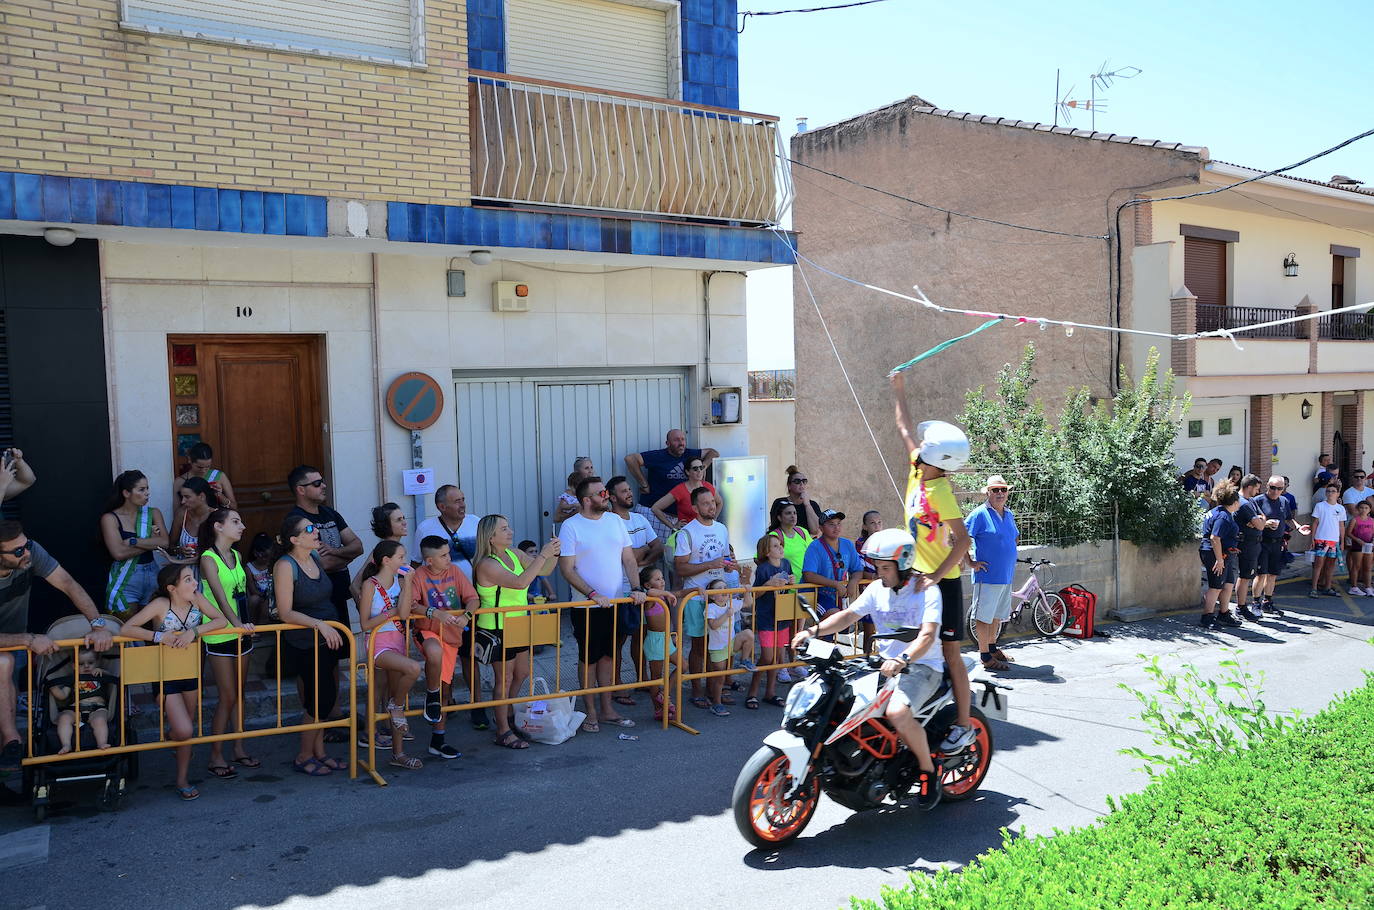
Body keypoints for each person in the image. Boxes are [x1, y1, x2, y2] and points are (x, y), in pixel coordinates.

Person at [792, 528, 946, 811]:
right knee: (841, 701)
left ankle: (928, 771)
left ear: (903, 564)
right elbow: (848, 615)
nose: (880, 573)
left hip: (922, 666)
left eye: (886, 568)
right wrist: (812, 631)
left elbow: (927, 636)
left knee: (897, 713)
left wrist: (903, 659)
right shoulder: (877, 589)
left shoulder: (926, 591)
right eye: (877, 567)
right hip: (883, 665)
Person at [891, 372, 976, 753]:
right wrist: (899, 388)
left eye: (926, 445)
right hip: (918, 577)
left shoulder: (941, 491)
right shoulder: (917, 468)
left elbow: (963, 539)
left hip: (943, 582)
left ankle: (964, 725)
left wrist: (937, 576)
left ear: (937, 458)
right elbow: (903, 426)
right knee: (908, 643)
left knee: (951, 653)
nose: (918, 446)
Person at [0, 520, 113, 770]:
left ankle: (8, 760)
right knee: (3, 662)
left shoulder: (31, 553)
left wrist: (98, 625)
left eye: (26, 545)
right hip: (12, 641)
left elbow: (67, 584)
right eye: (17, 551)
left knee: (6, 694)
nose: (26, 552)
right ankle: (12, 740)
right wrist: (29, 639)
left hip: (14, 638)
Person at [121, 564, 229, 800]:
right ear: (172, 588)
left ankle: (182, 780)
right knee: (184, 730)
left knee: (186, 732)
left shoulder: (197, 599)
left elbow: (221, 620)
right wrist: (158, 636)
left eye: (193, 578)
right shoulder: (160, 604)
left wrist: (194, 632)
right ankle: (174, 737)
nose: (195, 583)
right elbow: (127, 628)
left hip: (190, 671)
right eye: (188, 579)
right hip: (164, 674)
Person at [558, 476, 645, 732]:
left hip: (615, 603)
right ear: (587, 500)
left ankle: (607, 710)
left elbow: (628, 559)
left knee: (609, 656)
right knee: (589, 659)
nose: (606, 496)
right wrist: (592, 593)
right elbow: (567, 569)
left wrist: (636, 587)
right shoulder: (571, 526)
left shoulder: (615, 521)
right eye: (601, 493)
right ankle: (591, 712)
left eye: (606, 492)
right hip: (586, 607)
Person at [474, 515, 560, 749]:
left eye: (509, 527)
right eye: (504, 529)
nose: (510, 531)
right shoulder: (487, 563)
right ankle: (503, 729)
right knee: (504, 679)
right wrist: (542, 555)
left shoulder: (514, 553)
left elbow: (544, 570)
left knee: (522, 673)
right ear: (490, 537)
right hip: (497, 627)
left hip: (518, 623)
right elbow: (521, 582)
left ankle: (507, 713)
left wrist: (554, 552)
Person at [272, 514, 347, 777]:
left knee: (326, 697)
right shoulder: (285, 565)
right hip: (306, 641)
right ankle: (304, 756)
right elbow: (285, 612)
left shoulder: (314, 557)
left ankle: (320, 752)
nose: (316, 532)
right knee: (318, 700)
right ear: (294, 539)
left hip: (328, 638)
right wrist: (320, 625)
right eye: (309, 529)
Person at [198, 508, 259, 778]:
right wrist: (237, 625)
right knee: (228, 696)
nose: (242, 526)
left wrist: (245, 625)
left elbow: (240, 594)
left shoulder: (236, 555)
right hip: (221, 633)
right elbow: (221, 599)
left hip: (240, 631)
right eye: (235, 521)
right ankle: (215, 755)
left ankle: (238, 748)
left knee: (240, 693)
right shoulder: (208, 558)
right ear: (218, 526)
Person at [357, 540, 425, 770]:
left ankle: (399, 754)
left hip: (398, 641)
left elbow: (404, 615)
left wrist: (408, 584)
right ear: (387, 561)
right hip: (378, 644)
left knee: (396, 692)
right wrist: (391, 612)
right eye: (401, 557)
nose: (405, 562)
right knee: (413, 668)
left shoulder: (400, 582)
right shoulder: (370, 585)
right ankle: (393, 707)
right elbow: (365, 624)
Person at [409, 535, 475, 759]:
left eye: (448, 553)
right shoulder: (418, 575)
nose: (449, 558)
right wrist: (434, 612)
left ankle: (438, 740)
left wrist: (467, 616)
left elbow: (473, 599)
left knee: (446, 690)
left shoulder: (455, 571)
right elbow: (411, 604)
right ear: (429, 561)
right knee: (433, 652)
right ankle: (431, 694)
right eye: (444, 555)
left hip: (451, 636)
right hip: (428, 631)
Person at [673, 486, 732, 706]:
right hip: (696, 598)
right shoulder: (687, 533)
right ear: (695, 508)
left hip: (719, 597)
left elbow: (725, 560)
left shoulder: (722, 529)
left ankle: (714, 690)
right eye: (706, 503)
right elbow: (680, 568)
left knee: (718, 646)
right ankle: (696, 690)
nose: (711, 507)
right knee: (699, 646)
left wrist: (730, 565)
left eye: (713, 502)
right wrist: (710, 564)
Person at [286, 464, 363, 631]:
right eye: (317, 483)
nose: (324, 485)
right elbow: (322, 563)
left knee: (344, 643)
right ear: (301, 490)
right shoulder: (296, 521)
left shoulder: (330, 513)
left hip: (340, 593)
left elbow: (358, 546)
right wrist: (348, 556)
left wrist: (335, 551)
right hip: (315, 602)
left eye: (322, 481)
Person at [609, 475, 665, 696]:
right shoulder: (609, 522)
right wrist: (638, 552)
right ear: (612, 497)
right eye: (624, 491)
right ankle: (617, 685)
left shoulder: (640, 519)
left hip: (644, 590)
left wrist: (638, 560)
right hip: (620, 591)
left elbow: (658, 547)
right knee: (618, 640)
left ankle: (642, 680)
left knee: (640, 636)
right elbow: (621, 555)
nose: (630, 493)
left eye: (629, 490)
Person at [965, 475, 1019, 670]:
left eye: (1003, 489)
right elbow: (960, 537)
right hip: (987, 576)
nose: (1000, 493)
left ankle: (992, 647)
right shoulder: (980, 514)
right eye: (995, 490)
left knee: (996, 615)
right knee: (984, 617)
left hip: (1005, 575)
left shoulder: (1009, 514)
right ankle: (985, 656)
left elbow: (1014, 538)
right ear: (988, 492)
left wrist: (1007, 554)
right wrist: (970, 562)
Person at [99, 470, 170, 619]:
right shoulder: (110, 518)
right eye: (141, 489)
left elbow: (164, 542)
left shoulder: (153, 513)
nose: (147, 493)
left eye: (147, 488)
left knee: (153, 627)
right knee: (127, 627)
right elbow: (118, 553)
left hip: (152, 575)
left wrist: (134, 541)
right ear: (126, 493)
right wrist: (151, 541)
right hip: (125, 580)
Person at [745, 534, 794, 709]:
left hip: (782, 616)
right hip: (766, 617)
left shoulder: (786, 564)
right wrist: (768, 584)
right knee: (767, 656)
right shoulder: (763, 569)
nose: (780, 548)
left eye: (780, 544)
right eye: (775, 546)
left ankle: (770, 692)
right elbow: (755, 594)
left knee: (777, 658)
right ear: (766, 552)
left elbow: (789, 586)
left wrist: (791, 582)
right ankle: (752, 692)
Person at [1250, 475, 1310, 616]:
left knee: (1273, 574)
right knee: (1261, 574)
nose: (1275, 491)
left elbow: (1289, 519)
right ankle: (1255, 603)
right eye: (1273, 488)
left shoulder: (1284, 501)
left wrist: (1298, 527)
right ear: (1267, 486)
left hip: (1277, 543)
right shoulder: (1257, 501)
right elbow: (1250, 522)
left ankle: (1267, 602)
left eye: (1279, 488)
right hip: (1262, 542)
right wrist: (1266, 524)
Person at [624, 429, 719, 513]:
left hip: (679, 514)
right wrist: (644, 484)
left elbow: (713, 453)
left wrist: (703, 467)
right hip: (653, 511)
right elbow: (630, 459)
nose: (681, 443)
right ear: (668, 443)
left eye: (683, 439)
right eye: (676, 440)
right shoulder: (658, 456)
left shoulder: (689, 453)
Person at [703, 579, 754, 717]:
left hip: (731, 643)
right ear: (712, 596)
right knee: (720, 678)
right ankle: (716, 703)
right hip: (718, 648)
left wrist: (747, 590)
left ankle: (744, 660)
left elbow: (748, 603)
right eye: (720, 589)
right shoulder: (711, 608)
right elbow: (713, 625)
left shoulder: (731, 603)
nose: (725, 590)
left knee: (748, 633)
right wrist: (726, 614)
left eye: (725, 587)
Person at [801, 510, 864, 621]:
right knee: (835, 617)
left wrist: (853, 582)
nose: (836, 528)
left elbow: (858, 570)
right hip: (818, 595)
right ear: (821, 528)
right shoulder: (814, 547)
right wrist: (835, 584)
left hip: (840, 596)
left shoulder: (847, 544)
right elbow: (808, 575)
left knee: (844, 623)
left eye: (839, 523)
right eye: (831, 524)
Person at [48, 648, 113, 753]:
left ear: (97, 662)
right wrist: (52, 687)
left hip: (97, 708)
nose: (86, 666)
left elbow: (111, 677)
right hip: (75, 708)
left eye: (90, 663)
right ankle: (66, 744)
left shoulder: (99, 675)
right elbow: (63, 695)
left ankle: (102, 743)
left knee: (100, 720)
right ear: (74, 666)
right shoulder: (72, 678)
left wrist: (102, 671)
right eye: (81, 664)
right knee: (64, 718)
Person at [1198, 481, 1243, 629]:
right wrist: (1219, 560)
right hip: (1215, 554)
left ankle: (1224, 614)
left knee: (1228, 584)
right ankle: (1207, 617)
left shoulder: (1218, 511)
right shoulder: (1223, 516)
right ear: (1234, 502)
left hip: (1224, 554)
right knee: (1216, 586)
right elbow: (1215, 538)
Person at [637, 565, 678, 720]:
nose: (662, 581)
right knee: (656, 677)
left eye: (662, 578)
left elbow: (679, 593)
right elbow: (649, 593)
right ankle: (658, 709)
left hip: (666, 639)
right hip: (655, 641)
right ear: (647, 584)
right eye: (658, 579)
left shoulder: (662, 596)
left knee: (683, 666)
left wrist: (696, 589)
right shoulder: (651, 599)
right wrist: (667, 593)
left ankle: (664, 694)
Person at [415, 485, 479, 580]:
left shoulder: (476, 522)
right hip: (438, 589)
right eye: (457, 501)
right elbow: (416, 563)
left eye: (463, 500)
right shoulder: (425, 528)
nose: (463, 505)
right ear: (442, 507)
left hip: (474, 588)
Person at [349, 503, 410, 603]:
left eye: (403, 518)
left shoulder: (398, 549)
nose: (404, 522)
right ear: (386, 525)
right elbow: (354, 587)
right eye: (399, 520)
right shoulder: (379, 553)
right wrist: (366, 610)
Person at [651, 458, 722, 532]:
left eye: (701, 468)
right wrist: (673, 527)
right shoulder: (680, 490)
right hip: (687, 533)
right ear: (687, 472)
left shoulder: (708, 486)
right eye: (695, 469)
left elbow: (720, 502)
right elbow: (655, 508)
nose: (699, 471)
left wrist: (714, 520)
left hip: (706, 531)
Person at [164, 477, 221, 568]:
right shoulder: (182, 514)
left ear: (202, 496)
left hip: (210, 571)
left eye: (187, 497)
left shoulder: (216, 516)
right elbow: (170, 546)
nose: (183, 501)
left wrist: (176, 561)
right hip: (185, 573)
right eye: (182, 497)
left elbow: (221, 552)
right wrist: (180, 550)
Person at [1233, 475, 1268, 620]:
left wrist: (1258, 520)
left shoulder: (1251, 501)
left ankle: (1242, 606)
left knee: (1248, 576)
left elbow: (1263, 517)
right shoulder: (1244, 504)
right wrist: (1258, 522)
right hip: (1247, 544)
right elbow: (1260, 525)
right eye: (1256, 488)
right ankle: (1240, 607)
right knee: (1244, 576)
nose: (1257, 492)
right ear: (1249, 487)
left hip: (1254, 543)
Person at [173, 441, 237, 511]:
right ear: (189, 460)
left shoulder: (219, 476)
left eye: (207, 467)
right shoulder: (180, 481)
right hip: (193, 517)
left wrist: (220, 496)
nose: (203, 471)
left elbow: (234, 507)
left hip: (217, 516)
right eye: (199, 467)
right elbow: (176, 512)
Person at [1309, 483, 1346, 598]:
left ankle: (1327, 587)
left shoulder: (1340, 508)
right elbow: (1315, 523)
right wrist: (1312, 539)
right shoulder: (1320, 506)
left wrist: (1342, 541)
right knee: (1318, 565)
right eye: (1328, 491)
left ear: (1338, 494)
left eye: (1333, 491)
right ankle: (1314, 589)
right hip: (1321, 539)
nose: (1330, 493)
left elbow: (1341, 526)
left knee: (1330, 565)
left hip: (1334, 541)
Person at [769, 465, 824, 538]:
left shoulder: (812, 505)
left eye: (804, 481)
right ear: (789, 486)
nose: (801, 484)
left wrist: (807, 504)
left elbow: (815, 530)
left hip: (805, 542)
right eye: (797, 481)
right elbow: (775, 526)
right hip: (785, 541)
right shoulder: (780, 503)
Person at [245, 533, 276, 624]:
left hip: (272, 594)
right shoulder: (249, 568)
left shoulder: (273, 564)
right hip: (259, 595)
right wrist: (263, 595)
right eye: (264, 556)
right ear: (256, 553)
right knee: (255, 600)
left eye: (268, 556)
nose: (266, 559)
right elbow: (252, 589)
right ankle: (253, 626)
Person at [554, 457, 597, 523]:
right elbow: (557, 518)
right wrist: (575, 512)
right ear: (577, 472)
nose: (590, 471)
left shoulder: (597, 489)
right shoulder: (570, 494)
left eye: (591, 467)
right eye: (586, 468)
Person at [1345, 500, 1374, 596]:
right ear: (1358, 509)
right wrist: (1357, 540)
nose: (1363, 510)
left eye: (1366, 508)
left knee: (1367, 567)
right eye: (1361, 508)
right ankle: (1354, 587)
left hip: (1369, 546)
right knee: (1356, 566)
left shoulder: (1372, 520)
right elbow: (1348, 533)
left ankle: (1368, 587)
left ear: (1369, 510)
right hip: (1357, 546)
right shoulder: (1355, 520)